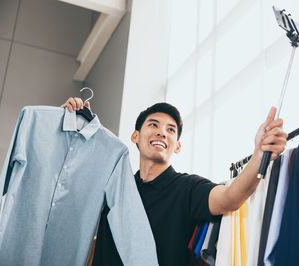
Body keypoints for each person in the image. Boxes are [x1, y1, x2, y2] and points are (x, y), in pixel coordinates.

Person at [60, 97, 287, 266]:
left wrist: (259, 156)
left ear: (176, 146)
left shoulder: (187, 188)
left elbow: (230, 198)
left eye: (171, 130)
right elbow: (66, 196)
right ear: (135, 136)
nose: (162, 133)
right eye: (153, 125)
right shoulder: (113, 189)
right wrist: (68, 129)